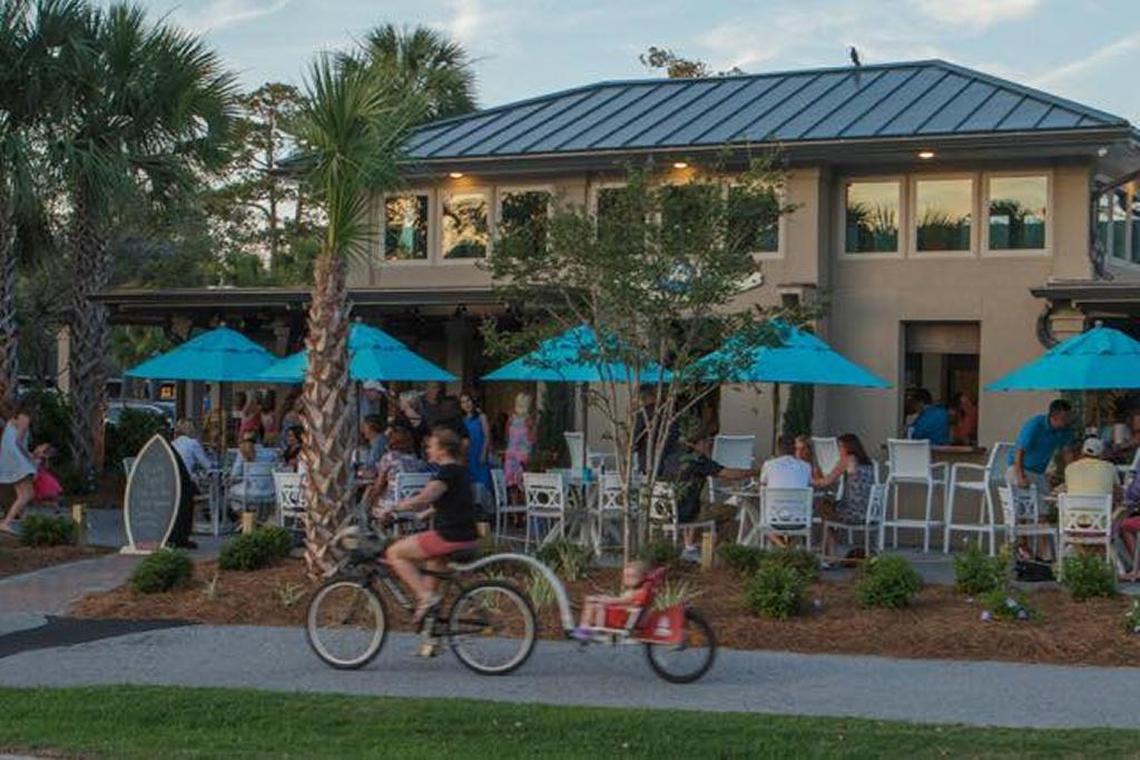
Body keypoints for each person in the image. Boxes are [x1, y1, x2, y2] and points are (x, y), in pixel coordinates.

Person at [378, 428, 479, 623]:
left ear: (443, 450)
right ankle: (432, 632)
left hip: (449, 537)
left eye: (431, 446)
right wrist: (424, 514)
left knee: (394, 553)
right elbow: (452, 502)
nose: (428, 450)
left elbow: (427, 496)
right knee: (430, 573)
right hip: (465, 535)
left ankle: (427, 598)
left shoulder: (446, 473)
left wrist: (393, 509)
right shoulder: (460, 472)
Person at [668, 422, 758, 563]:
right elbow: (729, 474)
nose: (709, 446)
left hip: (668, 510)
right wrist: (757, 471)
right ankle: (707, 549)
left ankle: (690, 547)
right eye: (708, 442)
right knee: (731, 511)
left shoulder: (672, 457)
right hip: (687, 512)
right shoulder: (698, 459)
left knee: (699, 502)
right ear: (699, 443)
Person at [813, 433, 877, 561]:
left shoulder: (847, 460)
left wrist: (809, 478)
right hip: (868, 513)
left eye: (840, 447)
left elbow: (826, 482)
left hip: (852, 513)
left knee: (822, 507)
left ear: (847, 447)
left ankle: (830, 553)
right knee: (828, 508)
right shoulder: (869, 463)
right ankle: (832, 548)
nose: (839, 450)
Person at [1007, 399, 1075, 498]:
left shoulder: (1065, 430)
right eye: (1065, 417)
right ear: (1054, 416)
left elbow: (1067, 453)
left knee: (1046, 504)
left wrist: (1072, 477)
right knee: (1024, 506)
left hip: (1038, 472)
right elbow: (1020, 451)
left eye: (1069, 416)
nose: (1068, 420)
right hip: (1019, 468)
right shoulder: (1035, 425)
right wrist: (1020, 477)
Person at [570, 560, 650, 640]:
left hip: (619, 619)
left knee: (593, 603)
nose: (627, 579)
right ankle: (584, 627)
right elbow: (621, 601)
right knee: (593, 601)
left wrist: (602, 600)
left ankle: (585, 627)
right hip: (621, 615)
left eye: (632, 576)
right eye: (625, 576)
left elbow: (621, 601)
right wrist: (602, 598)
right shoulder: (636, 591)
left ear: (642, 577)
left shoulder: (637, 592)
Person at [0, 399, 40, 536]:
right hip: (16, 459)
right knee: (26, 494)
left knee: (25, 494)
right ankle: (6, 522)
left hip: (9, 458)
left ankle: (11, 520)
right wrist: (30, 457)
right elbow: (18, 442)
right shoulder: (25, 418)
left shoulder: (13, 419)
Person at [366, 426, 430, 508]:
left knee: (370, 494)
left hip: (393, 502)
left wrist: (371, 496)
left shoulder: (389, 457)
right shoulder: (416, 460)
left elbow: (380, 483)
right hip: (413, 502)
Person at [633, 386, 680, 475]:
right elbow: (676, 434)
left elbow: (634, 439)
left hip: (648, 458)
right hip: (671, 459)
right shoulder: (669, 413)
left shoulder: (642, 415)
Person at [460, 390, 493, 509]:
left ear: (473, 402)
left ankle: (485, 510)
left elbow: (487, 436)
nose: (466, 404)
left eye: (468, 401)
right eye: (463, 402)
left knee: (483, 482)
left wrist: (484, 452)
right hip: (468, 455)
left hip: (480, 453)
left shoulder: (481, 417)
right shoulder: (463, 420)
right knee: (470, 483)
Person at [1062, 436, 1119, 501]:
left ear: (1082, 452)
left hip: (1073, 509)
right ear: (1101, 453)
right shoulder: (1110, 467)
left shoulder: (1070, 468)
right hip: (1101, 510)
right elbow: (1117, 492)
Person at [503, 391, 536, 496]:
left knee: (512, 484)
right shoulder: (529, 420)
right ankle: (525, 507)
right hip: (523, 454)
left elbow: (507, 436)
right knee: (524, 484)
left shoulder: (511, 419)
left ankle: (514, 509)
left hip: (510, 454)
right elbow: (532, 439)